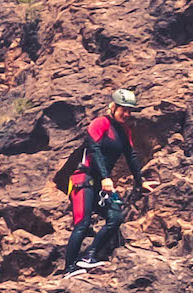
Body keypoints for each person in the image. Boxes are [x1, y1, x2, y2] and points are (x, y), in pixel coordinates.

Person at [59, 89, 146, 275]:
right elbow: (95, 151)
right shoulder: (100, 124)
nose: (127, 114)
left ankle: (89, 256)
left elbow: (131, 156)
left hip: (100, 184)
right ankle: (69, 268)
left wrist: (141, 181)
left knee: (115, 218)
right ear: (113, 107)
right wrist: (107, 178)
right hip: (84, 179)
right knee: (82, 223)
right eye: (124, 109)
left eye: (130, 111)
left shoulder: (124, 132)